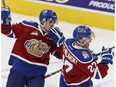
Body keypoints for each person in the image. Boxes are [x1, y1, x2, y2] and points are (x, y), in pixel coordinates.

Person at [1, 7, 64, 87]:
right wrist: (5, 21)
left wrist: (60, 44)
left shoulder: (54, 36)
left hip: (37, 73)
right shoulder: (27, 27)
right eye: (50, 21)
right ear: (42, 21)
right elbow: (7, 32)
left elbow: (60, 55)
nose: (53, 24)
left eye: (54, 21)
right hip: (19, 69)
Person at [48, 25, 114, 87]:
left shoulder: (68, 42)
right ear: (81, 40)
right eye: (88, 38)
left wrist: (90, 56)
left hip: (64, 80)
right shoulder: (84, 58)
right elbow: (99, 74)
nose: (90, 39)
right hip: (80, 84)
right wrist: (105, 61)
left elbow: (65, 53)